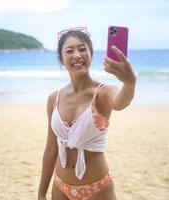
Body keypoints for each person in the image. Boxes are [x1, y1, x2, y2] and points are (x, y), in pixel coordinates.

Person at [37, 27, 136, 200]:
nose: (77, 55)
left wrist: (129, 83)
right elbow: (51, 149)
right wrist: (41, 193)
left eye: (82, 49)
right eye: (70, 50)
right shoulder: (54, 99)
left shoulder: (103, 93)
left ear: (91, 54)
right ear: (61, 59)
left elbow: (121, 103)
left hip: (97, 189)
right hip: (60, 187)